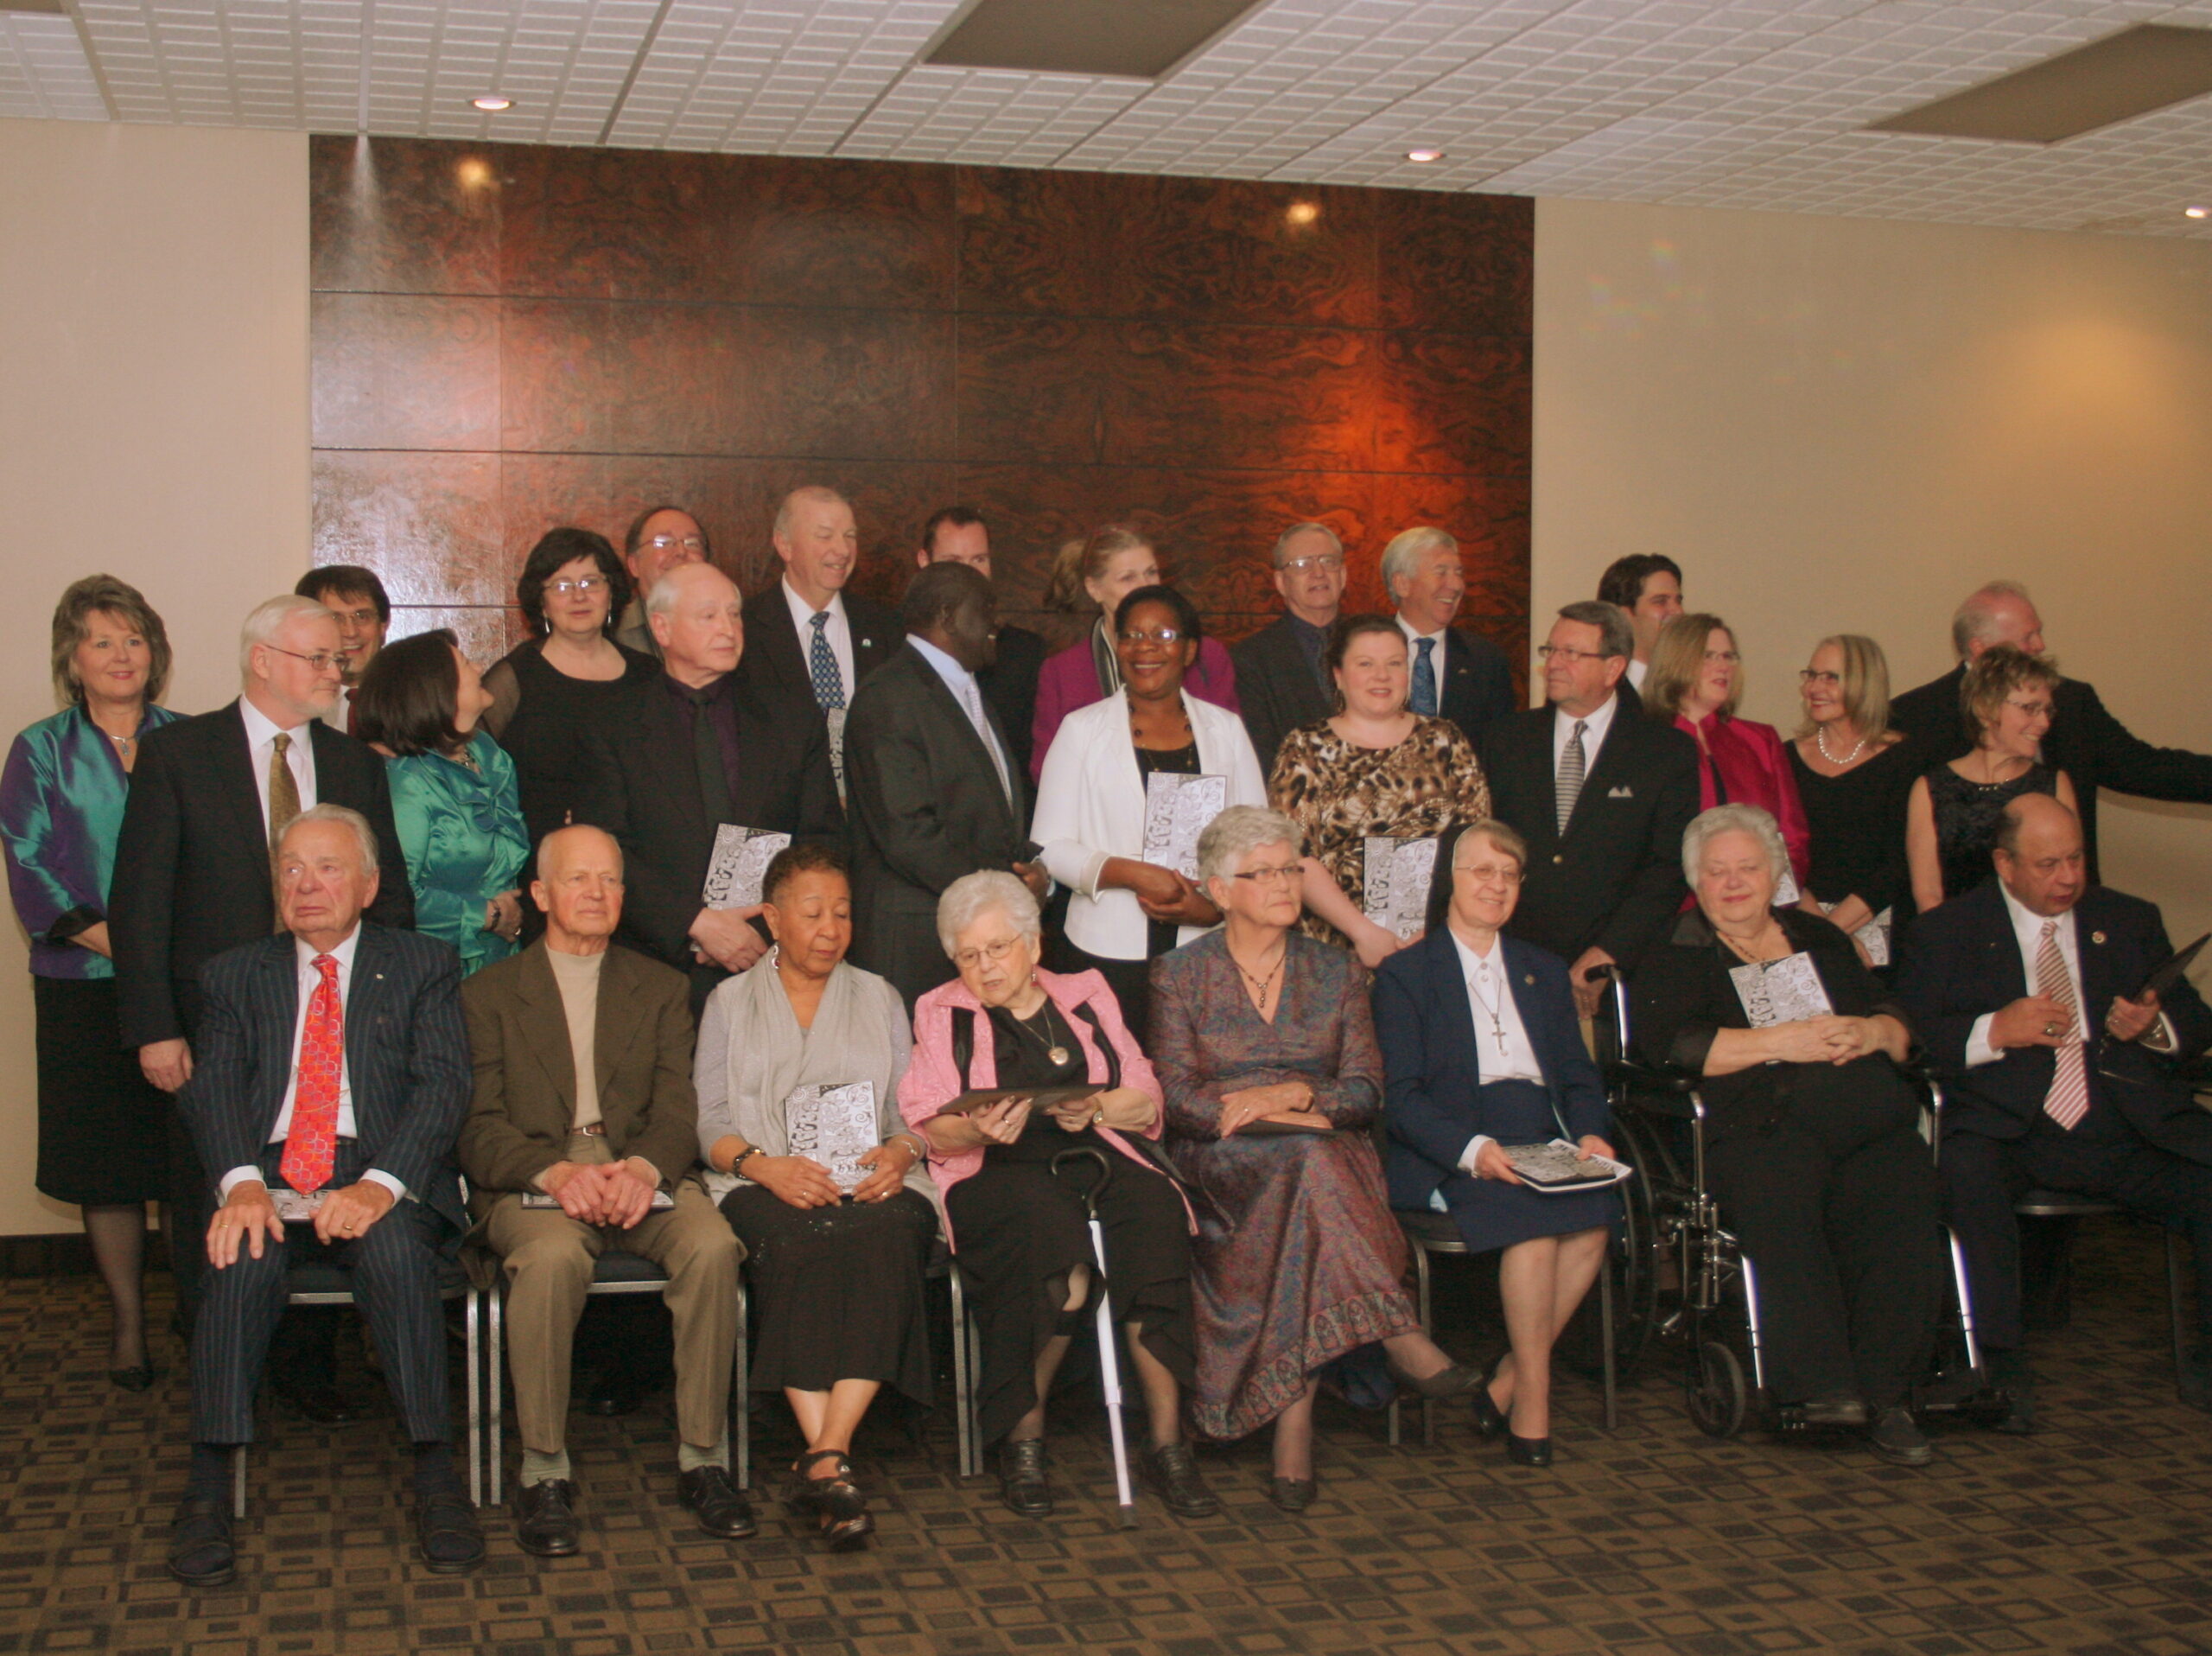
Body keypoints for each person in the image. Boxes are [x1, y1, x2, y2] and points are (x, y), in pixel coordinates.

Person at [164, 806, 480, 1586]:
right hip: (268, 1171)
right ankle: (208, 1479)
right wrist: (240, 1187)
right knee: (237, 1260)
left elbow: (444, 1088)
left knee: (399, 1253)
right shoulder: (237, 974)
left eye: (329, 868)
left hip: (375, 1167)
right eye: (292, 870)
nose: (308, 886)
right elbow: (213, 1094)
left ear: (370, 885)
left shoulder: (423, 964)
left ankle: (435, 1469)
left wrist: (378, 1187)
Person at [111, 594, 414, 1385]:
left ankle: (310, 1372)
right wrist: (155, 1026)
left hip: (335, 1018)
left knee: (315, 1183)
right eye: (319, 660)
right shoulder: (179, 755)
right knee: (217, 1190)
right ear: (264, 661)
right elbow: (140, 900)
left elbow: (392, 893)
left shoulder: (352, 764)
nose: (338, 675)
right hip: (212, 1027)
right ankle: (221, 1366)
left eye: (340, 661)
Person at [1149, 806, 1487, 1508]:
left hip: (1324, 1143)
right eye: (1263, 872)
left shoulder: (1335, 971)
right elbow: (1178, 1097)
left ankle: (1293, 1426)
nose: (1283, 882)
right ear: (1219, 887)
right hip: (1224, 1160)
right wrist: (1244, 1113)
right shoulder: (1179, 974)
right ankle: (1395, 1335)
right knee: (1312, 1168)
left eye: (1291, 869)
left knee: (1311, 1166)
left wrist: (1294, 1091)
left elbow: (1365, 1090)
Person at [459, 824, 749, 1555]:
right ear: (540, 893)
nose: (596, 893)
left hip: (640, 1172)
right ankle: (543, 1470)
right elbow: (477, 1127)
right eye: (578, 878)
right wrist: (556, 1173)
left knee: (713, 1245)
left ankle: (705, 1459)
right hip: (535, 1179)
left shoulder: (660, 987)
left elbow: (680, 1107)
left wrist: (648, 1168)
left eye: (611, 880)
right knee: (554, 1260)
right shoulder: (487, 993)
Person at [1632, 805, 1946, 1467]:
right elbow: (1672, 1047)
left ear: (1775, 871)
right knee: (1783, 1191)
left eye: (1748, 867)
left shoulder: (1819, 937)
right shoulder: (1677, 950)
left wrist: (1873, 1033)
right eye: (1717, 872)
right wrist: (1782, 1041)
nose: (1735, 882)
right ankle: (1820, 1388)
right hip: (1758, 1128)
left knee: (1905, 1183)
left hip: (1864, 1120)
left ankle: (1889, 1395)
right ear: (1698, 882)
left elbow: (1888, 1011)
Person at [899, 870, 1217, 1520]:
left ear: (1034, 945)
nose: (984, 968)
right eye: (968, 954)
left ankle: (1167, 1443)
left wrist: (1096, 1106)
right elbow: (929, 1121)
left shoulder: (1087, 991)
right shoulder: (940, 1009)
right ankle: (1024, 1438)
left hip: (1099, 1150)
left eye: (998, 948)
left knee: (1153, 1216)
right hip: (998, 1168)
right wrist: (976, 1126)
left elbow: (1145, 1094)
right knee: (1053, 1246)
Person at [1895, 794, 2212, 1430]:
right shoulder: (1946, 930)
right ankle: (1997, 1366)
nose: (2068, 877)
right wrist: (1995, 1029)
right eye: (2048, 864)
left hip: (2123, 1124)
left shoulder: (2128, 919)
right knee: (1964, 1176)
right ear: (2004, 864)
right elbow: (1913, 1034)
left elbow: (2196, 1024)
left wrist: (2153, 1028)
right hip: (2010, 1127)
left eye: (2076, 859)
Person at [696, 842, 937, 1550]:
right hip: (761, 1177)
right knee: (801, 1238)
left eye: (842, 913)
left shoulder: (880, 995)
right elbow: (708, 1121)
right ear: (772, 918)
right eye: (812, 913)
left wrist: (902, 1151)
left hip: (870, 1177)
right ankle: (831, 1457)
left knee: (888, 1234)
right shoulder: (730, 1000)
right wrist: (763, 1166)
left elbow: (911, 1113)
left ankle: (826, 1453)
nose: (830, 928)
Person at [1373, 819, 1618, 1463]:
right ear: (1448, 881)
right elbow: (1401, 1098)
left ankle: (1506, 1378)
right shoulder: (1405, 974)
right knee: (1535, 1226)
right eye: (1482, 870)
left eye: (1509, 874)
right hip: (1453, 1139)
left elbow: (1576, 1076)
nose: (1497, 885)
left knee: (1593, 1226)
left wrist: (1592, 1132)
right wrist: (1471, 1150)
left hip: (1543, 1131)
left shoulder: (1542, 968)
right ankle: (1532, 1399)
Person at [0, 576, 181, 1389]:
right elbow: (32, 867)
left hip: (185, 985)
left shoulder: (192, 740)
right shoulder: (39, 749)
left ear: (156, 653)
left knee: (188, 1152)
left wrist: (161, 958)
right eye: (102, 640)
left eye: (133, 638)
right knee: (107, 1163)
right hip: (84, 985)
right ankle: (129, 1328)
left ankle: (202, 1316)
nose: (121, 655)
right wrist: (133, 948)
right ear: (73, 660)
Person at [582, 563, 840, 1014]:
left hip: (775, 965)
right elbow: (606, 851)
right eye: (709, 616)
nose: (728, 629)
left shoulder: (791, 718)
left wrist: (764, 928)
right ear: (660, 627)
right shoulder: (612, 725)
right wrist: (695, 924)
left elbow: (822, 840)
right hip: (654, 972)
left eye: (735, 614)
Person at [1032, 586, 1265, 1041]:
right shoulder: (1081, 730)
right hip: (1104, 952)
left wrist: (1215, 907)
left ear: (1191, 649)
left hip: (1206, 949)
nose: (1145, 646)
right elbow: (1050, 848)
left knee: (1197, 1094)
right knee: (1118, 1095)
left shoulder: (1227, 731)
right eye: (1132, 634)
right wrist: (1129, 873)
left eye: (1163, 633)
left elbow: (1256, 847)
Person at [1889, 580, 2212, 882]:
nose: (2040, 645)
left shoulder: (2071, 701)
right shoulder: (1915, 717)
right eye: (2027, 637)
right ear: (1981, 650)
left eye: (2039, 633)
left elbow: (2145, 768)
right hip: (1962, 916)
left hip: (2067, 903)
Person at [1478, 602, 1700, 1016]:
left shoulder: (1665, 752)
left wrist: (1609, 952)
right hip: (1511, 961)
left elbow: (1668, 867)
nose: (1555, 664)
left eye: (1572, 654)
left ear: (1614, 667)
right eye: (1551, 651)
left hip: (1616, 970)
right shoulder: (1506, 740)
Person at [845, 562, 1046, 1008]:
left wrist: (1029, 870)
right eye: (987, 609)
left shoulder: (966, 688)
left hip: (970, 938)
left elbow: (987, 811)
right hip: (918, 943)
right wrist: (1002, 892)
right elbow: (908, 834)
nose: (997, 623)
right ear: (948, 615)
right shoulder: (889, 696)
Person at [1269, 614, 1492, 965]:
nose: (1382, 676)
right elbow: (1295, 854)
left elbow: (1477, 845)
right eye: (1365, 664)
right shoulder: (1304, 748)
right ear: (1338, 676)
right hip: (1329, 950)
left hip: (1432, 946)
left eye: (1394, 663)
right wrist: (1363, 932)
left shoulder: (1446, 740)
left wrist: (1433, 930)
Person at [481, 527, 659, 868]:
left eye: (592, 582)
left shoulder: (648, 675)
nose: (579, 597)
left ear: (612, 592)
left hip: (635, 864)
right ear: (542, 602)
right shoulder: (515, 677)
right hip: (539, 864)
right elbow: (472, 771)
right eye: (562, 586)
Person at [355, 630, 528, 976]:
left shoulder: (488, 754)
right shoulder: (410, 783)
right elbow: (396, 895)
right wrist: (487, 914)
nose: (480, 667)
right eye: (466, 664)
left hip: (504, 961)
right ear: (437, 690)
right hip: (438, 969)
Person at [1030, 525, 1238, 780]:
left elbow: (1231, 751)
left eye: (1151, 573)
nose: (1144, 586)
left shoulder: (1207, 656)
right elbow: (1047, 772)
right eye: (1128, 578)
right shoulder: (1062, 672)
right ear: (1094, 589)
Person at [740, 487, 900, 792]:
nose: (842, 550)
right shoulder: (744, 630)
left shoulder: (886, 628)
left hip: (867, 820)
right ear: (784, 545)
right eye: (825, 536)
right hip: (779, 823)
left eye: (850, 536)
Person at [1642, 613, 1810, 891]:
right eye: (1709, 656)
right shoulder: (1645, 743)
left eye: (1729, 657)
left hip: (1756, 906)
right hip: (1671, 914)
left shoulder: (1760, 740)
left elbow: (1792, 838)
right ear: (1677, 661)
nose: (1723, 667)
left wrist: (1762, 898)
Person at [1905, 645, 2076, 913]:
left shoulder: (2054, 784)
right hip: (1957, 942)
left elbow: (2068, 882)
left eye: (2047, 711)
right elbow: (1928, 895)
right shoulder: (1931, 788)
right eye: (2030, 709)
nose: (2044, 723)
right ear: (1985, 711)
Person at [1787, 634, 1918, 967]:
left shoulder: (1904, 759)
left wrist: (1832, 935)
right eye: (1811, 675)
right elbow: (1779, 853)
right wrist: (1821, 933)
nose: (1815, 687)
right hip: (1799, 923)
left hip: (1877, 925)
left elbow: (1900, 864)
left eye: (1831, 677)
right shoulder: (1785, 756)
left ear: (1865, 684)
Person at [918, 506, 1046, 780]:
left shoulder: (1025, 654)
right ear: (924, 562)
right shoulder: (894, 651)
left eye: (979, 559)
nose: (969, 574)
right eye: (953, 560)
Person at [1382, 525, 1516, 753]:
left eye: (1459, 573)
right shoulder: (1363, 652)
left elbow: (1502, 751)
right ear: (1402, 584)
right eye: (1441, 572)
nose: (1456, 585)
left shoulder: (1486, 660)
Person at [1231, 523, 1347, 777]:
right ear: (1281, 582)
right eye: (1302, 564)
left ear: (1344, 575)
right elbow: (1263, 754)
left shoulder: (1374, 642)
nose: (1318, 573)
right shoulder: (1251, 658)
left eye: (1328, 561)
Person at [296, 565, 391, 735]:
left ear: (383, 625)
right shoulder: (292, 707)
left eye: (362, 617)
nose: (351, 632)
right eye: (336, 619)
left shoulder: (416, 704)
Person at [613, 505, 709, 658]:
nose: (681, 552)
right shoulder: (613, 633)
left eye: (692, 543)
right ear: (634, 565)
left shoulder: (730, 627)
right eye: (664, 542)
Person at [1595, 553, 1683, 704]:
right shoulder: (1597, 687)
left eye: (1678, 601)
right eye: (1660, 601)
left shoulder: (1689, 684)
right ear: (1623, 615)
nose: (1678, 611)